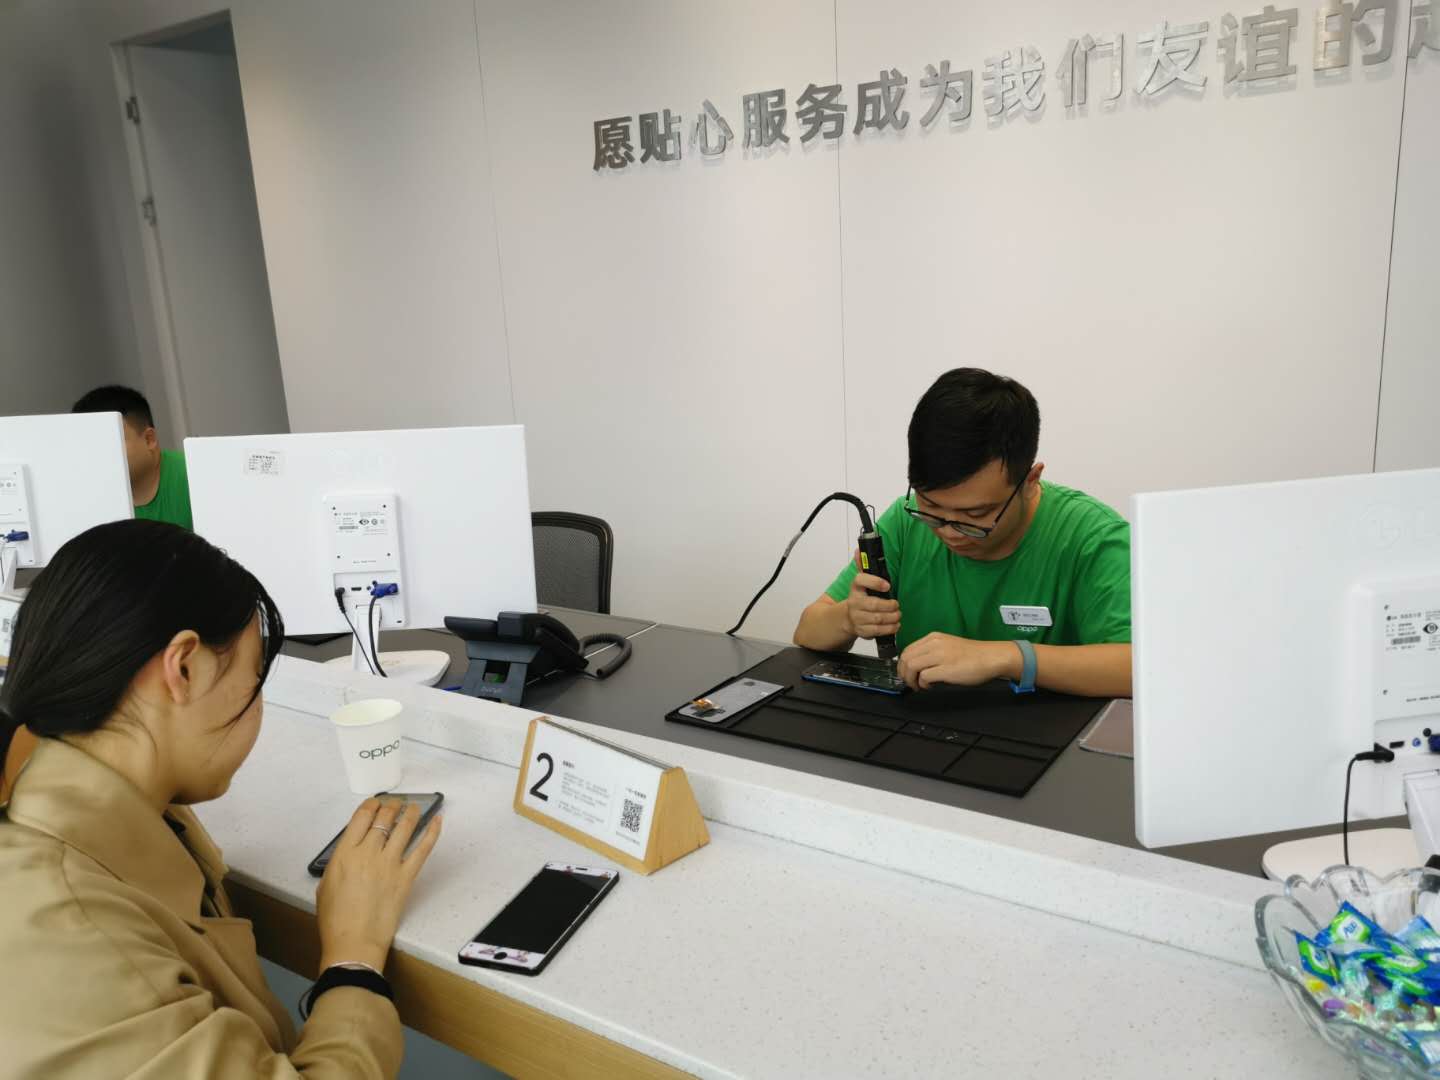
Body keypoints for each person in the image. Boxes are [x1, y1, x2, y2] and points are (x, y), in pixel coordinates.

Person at [0, 519, 441, 1078]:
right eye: (255, 678)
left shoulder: (124, 808)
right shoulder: (71, 928)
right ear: (184, 667)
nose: (256, 707)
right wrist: (353, 959)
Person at [794, 368, 1132, 698]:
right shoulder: (905, 522)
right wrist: (849, 618)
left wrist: (1007, 658)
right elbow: (807, 631)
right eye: (930, 506)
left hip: (1047, 728)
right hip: (925, 720)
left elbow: (1136, 666)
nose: (949, 531)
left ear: (1030, 481)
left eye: (975, 515)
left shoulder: (1093, 538)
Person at [72, 385, 194, 530]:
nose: (98, 455)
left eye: (110, 441)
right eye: (89, 445)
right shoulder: (90, 496)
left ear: (149, 439)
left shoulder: (193, 476)